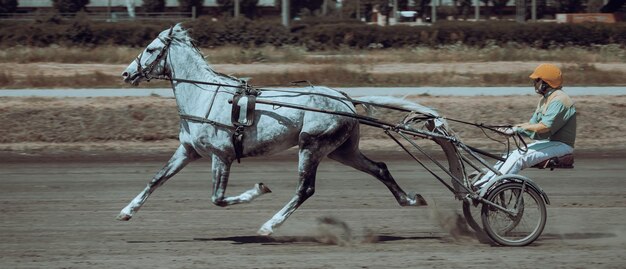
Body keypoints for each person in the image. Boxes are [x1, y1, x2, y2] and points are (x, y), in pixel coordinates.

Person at [473, 63, 577, 188]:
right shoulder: (545, 100)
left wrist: (517, 129)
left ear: (546, 82)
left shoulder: (560, 100)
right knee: (510, 155)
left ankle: (491, 186)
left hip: (562, 146)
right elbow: (532, 124)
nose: (534, 83)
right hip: (551, 143)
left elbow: (544, 127)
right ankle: (484, 182)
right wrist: (511, 128)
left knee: (519, 158)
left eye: (537, 80)